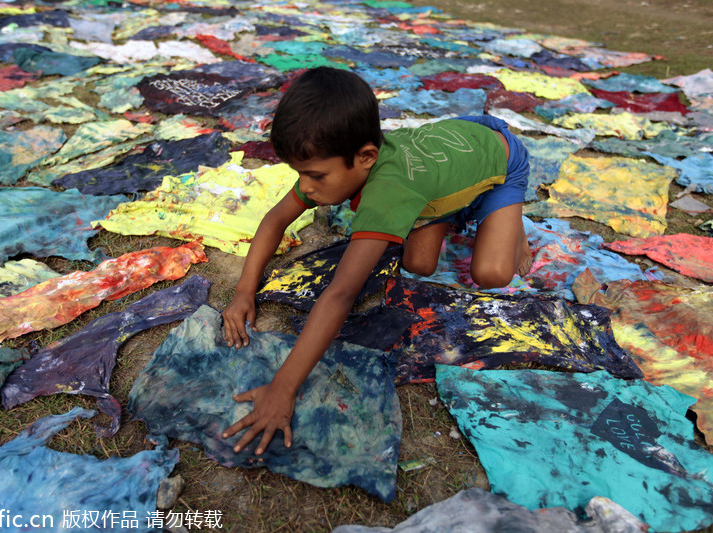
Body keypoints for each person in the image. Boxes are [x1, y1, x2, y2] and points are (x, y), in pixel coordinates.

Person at [220, 66, 531, 455]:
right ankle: (448, 204)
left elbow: (341, 294)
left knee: (492, 272)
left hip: (500, 157)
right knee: (419, 265)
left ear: (366, 156)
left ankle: (502, 215)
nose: (307, 186)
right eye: (301, 174)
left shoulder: (388, 193)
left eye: (315, 175)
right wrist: (244, 292)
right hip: (448, 153)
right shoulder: (343, 156)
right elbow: (275, 219)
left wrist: (282, 388)